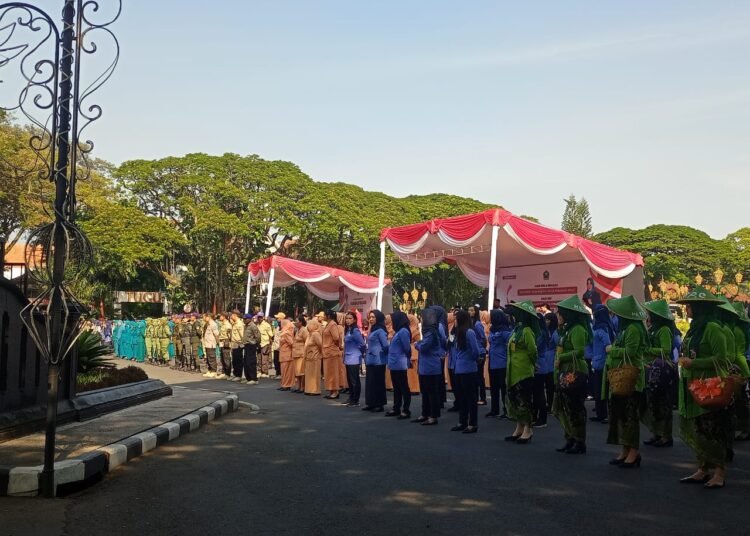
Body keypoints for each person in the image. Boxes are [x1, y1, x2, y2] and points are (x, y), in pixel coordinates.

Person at [676, 287, 731, 488]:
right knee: (698, 427)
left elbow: (721, 359)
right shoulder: (694, 328)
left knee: (712, 428)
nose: (687, 309)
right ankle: (702, 468)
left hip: (709, 386)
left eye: (690, 306)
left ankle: (719, 472)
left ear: (699, 308)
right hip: (693, 384)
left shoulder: (713, 328)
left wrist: (694, 363)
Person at [604, 295, 648, 468]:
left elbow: (629, 352)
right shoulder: (625, 328)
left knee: (630, 417)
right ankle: (624, 449)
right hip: (620, 377)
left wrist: (611, 350)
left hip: (631, 379)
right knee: (621, 416)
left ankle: (633, 453)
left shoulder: (634, 329)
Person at [552, 295, 591, 455]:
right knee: (562, 407)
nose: (558, 317)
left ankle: (579, 441)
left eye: (561, 314)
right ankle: (569, 437)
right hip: (563, 372)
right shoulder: (566, 330)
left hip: (575, 373)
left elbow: (580, 351)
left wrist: (563, 357)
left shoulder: (578, 330)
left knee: (575, 408)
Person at [642, 299, 679, 447]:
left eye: (650, 313)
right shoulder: (653, 328)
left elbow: (665, 350)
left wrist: (647, 350)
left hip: (662, 370)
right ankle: (656, 433)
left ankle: (666, 435)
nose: (647, 316)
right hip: (652, 368)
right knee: (653, 402)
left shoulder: (664, 329)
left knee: (663, 403)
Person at [505, 300, 540, 444]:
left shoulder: (526, 331)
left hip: (523, 371)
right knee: (515, 400)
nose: (513, 317)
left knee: (524, 400)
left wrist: (533, 364)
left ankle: (528, 429)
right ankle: (519, 427)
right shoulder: (516, 330)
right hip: (513, 371)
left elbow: (533, 350)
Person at [414, 306, 447, 425]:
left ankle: (433, 416)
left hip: (431, 366)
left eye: (422, 318)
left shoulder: (432, 332)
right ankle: (425, 413)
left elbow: (424, 346)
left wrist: (417, 344)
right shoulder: (429, 331)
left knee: (432, 392)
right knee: (425, 391)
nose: (421, 321)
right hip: (426, 366)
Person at [450, 309, 481, 433]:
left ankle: (472, 424)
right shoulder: (458, 333)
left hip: (468, 369)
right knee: (462, 397)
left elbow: (475, 351)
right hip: (460, 369)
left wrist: (473, 359)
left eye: (456, 319)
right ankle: (462, 421)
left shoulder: (469, 332)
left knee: (471, 398)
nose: (455, 321)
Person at [533, 312, 558, 428]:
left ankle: (542, 418)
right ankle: (536, 416)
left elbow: (535, 347)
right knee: (537, 392)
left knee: (539, 392)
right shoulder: (542, 332)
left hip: (541, 364)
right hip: (541, 363)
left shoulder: (542, 333)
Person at [386, 311, 412, 419]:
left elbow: (407, 348)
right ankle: (396, 408)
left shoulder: (403, 331)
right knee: (396, 387)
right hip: (395, 363)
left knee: (403, 387)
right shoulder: (398, 331)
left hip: (400, 363)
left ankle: (406, 410)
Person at [591, 304, 614, 423]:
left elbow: (608, 345)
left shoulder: (603, 327)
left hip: (603, 362)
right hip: (597, 361)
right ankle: (600, 413)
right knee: (598, 389)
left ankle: (605, 414)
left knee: (603, 389)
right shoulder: (600, 326)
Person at [487, 309, 512, 419]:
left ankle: (506, 410)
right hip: (492, 362)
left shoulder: (505, 331)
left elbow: (510, 344)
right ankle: (494, 409)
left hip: (502, 362)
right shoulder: (492, 329)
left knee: (503, 388)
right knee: (494, 388)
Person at [363, 310, 389, 412]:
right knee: (370, 382)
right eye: (370, 317)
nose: (371, 319)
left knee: (378, 382)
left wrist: (382, 353)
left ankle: (379, 404)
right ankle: (371, 403)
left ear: (378, 318)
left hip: (378, 360)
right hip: (370, 360)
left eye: (373, 317)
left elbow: (385, 345)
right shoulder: (373, 329)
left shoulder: (381, 331)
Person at [732, 303, 750, 441]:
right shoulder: (740, 329)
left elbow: (737, 353)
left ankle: (745, 428)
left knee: (741, 400)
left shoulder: (736, 331)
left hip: (740, 366)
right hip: (742, 365)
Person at [342, 312, 365, 406]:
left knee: (354, 380)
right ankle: (351, 397)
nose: (348, 320)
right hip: (348, 357)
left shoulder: (355, 330)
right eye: (346, 318)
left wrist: (360, 353)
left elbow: (362, 344)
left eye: (350, 318)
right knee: (350, 380)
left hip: (354, 358)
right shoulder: (349, 330)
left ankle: (356, 400)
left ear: (354, 319)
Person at [468, 305, 488, 406]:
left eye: (472, 310)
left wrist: (482, 350)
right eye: (469, 310)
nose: (470, 312)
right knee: (475, 376)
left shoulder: (477, 324)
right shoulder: (470, 324)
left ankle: (483, 398)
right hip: (474, 352)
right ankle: (475, 397)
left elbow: (483, 338)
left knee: (480, 376)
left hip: (480, 352)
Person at [322, 310, 342, 400]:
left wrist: (333, 346)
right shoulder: (328, 324)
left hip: (332, 352)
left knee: (333, 372)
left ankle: (335, 391)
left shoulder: (333, 324)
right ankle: (331, 390)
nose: (323, 317)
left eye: (324, 315)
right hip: (327, 352)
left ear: (329, 316)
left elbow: (336, 338)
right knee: (328, 373)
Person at [304, 319, 323, 396]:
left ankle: (315, 390)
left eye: (310, 324)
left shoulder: (316, 334)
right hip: (309, 357)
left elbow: (320, 345)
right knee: (309, 374)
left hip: (315, 357)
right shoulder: (310, 334)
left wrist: (319, 353)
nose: (308, 326)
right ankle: (309, 389)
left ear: (315, 326)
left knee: (314, 374)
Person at [291, 316, 308, 393]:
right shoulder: (297, 330)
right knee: (297, 372)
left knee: (301, 371)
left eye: (296, 321)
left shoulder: (304, 330)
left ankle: (302, 387)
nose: (295, 322)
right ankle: (298, 386)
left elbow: (307, 342)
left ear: (301, 322)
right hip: (296, 353)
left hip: (301, 353)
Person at [278, 318, 295, 391]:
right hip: (284, 354)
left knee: (286, 371)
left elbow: (291, 343)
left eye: (281, 323)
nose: (280, 325)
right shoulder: (284, 332)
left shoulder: (286, 333)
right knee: (284, 370)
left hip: (287, 354)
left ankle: (286, 385)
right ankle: (284, 384)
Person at [242, 314, 260, 385]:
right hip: (246, 345)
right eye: (243, 319)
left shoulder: (253, 326)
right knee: (246, 362)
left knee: (251, 362)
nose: (244, 320)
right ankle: (248, 378)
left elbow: (258, 337)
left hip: (251, 345)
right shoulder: (245, 326)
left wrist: (256, 344)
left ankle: (254, 379)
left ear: (249, 319)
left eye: (245, 319)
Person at [407, 314, 421, 395]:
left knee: (414, 373)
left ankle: (415, 388)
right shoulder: (409, 329)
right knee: (411, 372)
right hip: (411, 351)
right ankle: (412, 388)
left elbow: (418, 341)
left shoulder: (415, 330)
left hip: (414, 352)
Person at [201, 313, 219, 377]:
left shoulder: (213, 324)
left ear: (208, 317)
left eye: (204, 317)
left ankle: (214, 371)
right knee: (208, 358)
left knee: (212, 357)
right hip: (206, 343)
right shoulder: (207, 324)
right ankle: (209, 370)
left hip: (211, 343)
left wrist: (218, 342)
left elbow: (216, 334)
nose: (203, 318)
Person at [257, 313, 275, 378]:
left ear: (263, 317)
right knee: (259, 358)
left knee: (266, 358)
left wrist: (270, 345)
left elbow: (271, 336)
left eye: (261, 317)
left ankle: (266, 372)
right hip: (259, 344)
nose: (259, 318)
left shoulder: (266, 325)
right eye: (258, 317)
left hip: (265, 343)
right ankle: (260, 371)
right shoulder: (257, 325)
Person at [229, 310, 245, 381]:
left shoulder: (239, 324)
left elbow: (242, 335)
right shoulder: (234, 323)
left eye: (232, 315)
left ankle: (239, 375)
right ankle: (235, 374)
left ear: (235, 315)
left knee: (238, 360)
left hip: (238, 344)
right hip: (234, 343)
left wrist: (243, 344)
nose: (231, 316)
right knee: (234, 360)